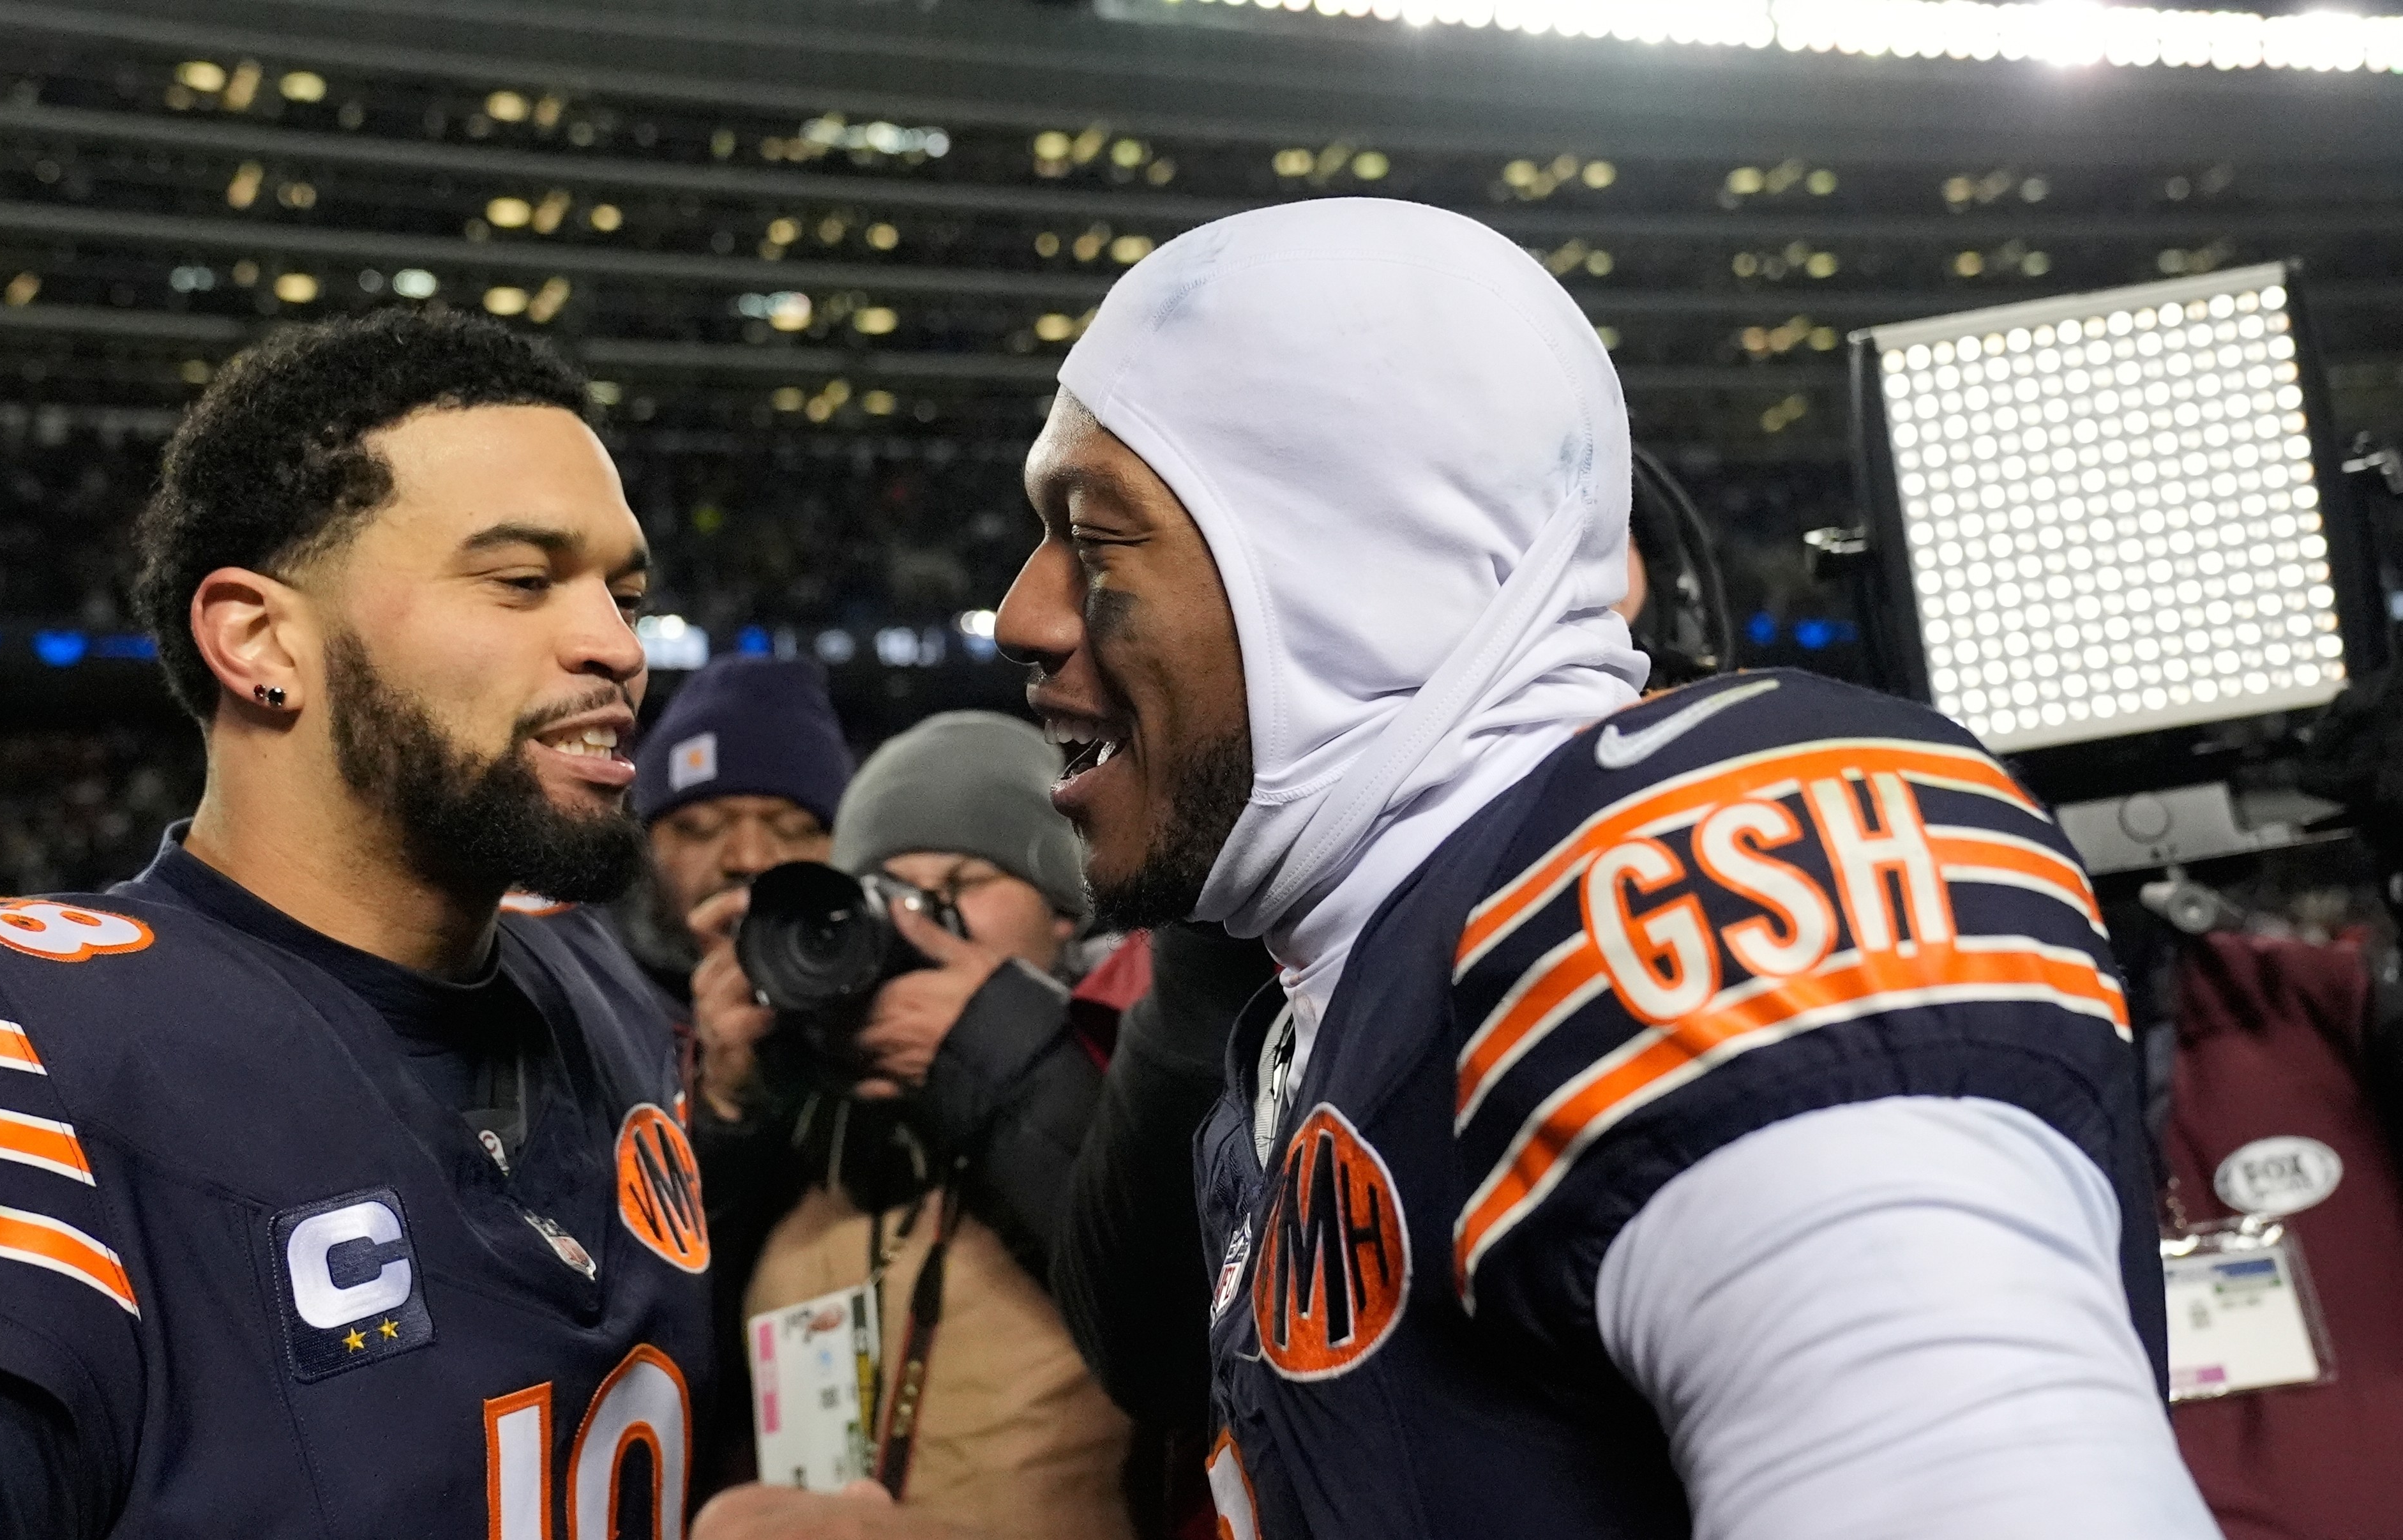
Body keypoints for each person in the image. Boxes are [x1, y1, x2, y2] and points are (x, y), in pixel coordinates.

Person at [705, 197, 2223, 1537]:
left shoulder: (1697, 871)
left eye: (1095, 541)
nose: (1019, 615)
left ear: (1339, 567)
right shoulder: (1314, 974)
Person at [0, 311, 712, 1538]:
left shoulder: (607, 991)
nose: (614, 645)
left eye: (621, 592)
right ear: (261, 640)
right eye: (521, 581)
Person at [699, 713, 1132, 1539]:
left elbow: (1161, 1295)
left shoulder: (1126, 1074)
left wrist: (991, 1050)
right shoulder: (816, 1128)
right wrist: (732, 1115)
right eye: (885, 893)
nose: (914, 924)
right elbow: (677, 1355)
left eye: (961, 885)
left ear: (1065, 912)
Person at [615, 656, 857, 1013]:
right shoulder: (570, 1009)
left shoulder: (888, 1026)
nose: (749, 859)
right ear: (642, 847)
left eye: (794, 830)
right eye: (700, 828)